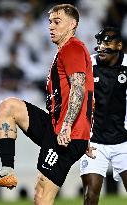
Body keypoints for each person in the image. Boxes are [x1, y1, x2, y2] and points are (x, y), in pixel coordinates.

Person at [0, 4, 95, 204]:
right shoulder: (64, 51)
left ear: (72, 24)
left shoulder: (72, 48)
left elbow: (79, 89)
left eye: (57, 22)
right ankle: (7, 169)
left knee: (42, 194)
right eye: (50, 22)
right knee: (8, 106)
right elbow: (88, 95)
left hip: (66, 134)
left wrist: (72, 127)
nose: (51, 26)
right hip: (57, 127)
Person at [80, 27, 127, 205]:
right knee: (90, 196)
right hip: (94, 142)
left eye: (107, 42)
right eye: (99, 42)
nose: (101, 46)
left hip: (124, 141)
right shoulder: (88, 66)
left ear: (119, 45)